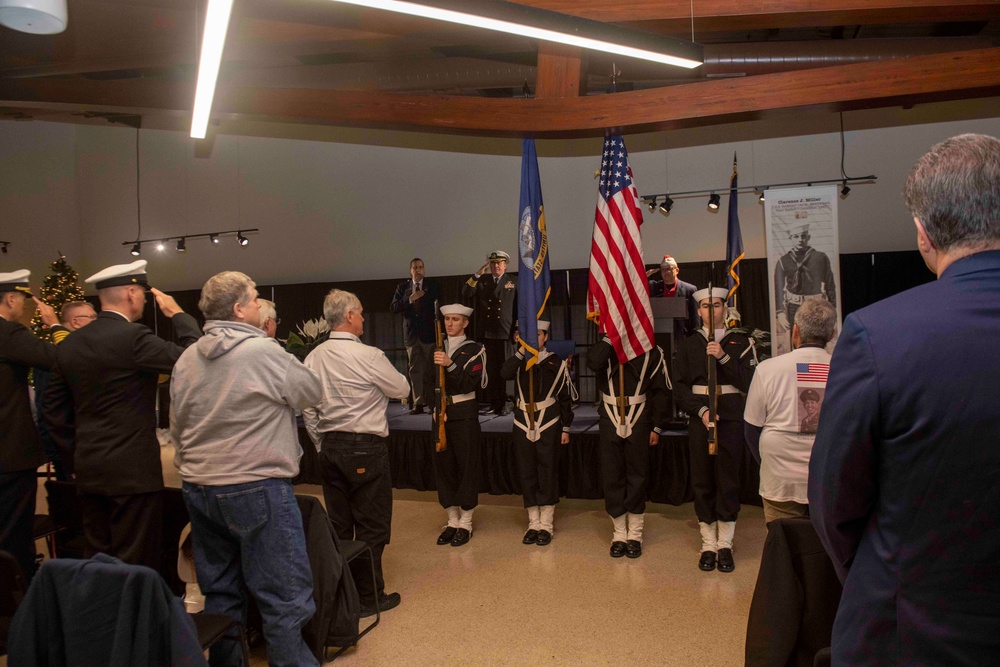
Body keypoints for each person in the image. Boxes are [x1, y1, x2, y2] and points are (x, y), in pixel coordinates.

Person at [808, 133, 1000, 666]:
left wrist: (883, 574)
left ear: (922, 233)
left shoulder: (877, 334)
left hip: (909, 632)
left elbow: (832, 503)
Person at [170, 271, 321, 667]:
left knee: (219, 592)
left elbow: (176, 424)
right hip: (255, 485)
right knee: (284, 596)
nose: (258, 305)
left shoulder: (186, 358)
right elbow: (311, 392)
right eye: (255, 299)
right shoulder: (262, 352)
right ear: (239, 309)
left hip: (200, 487)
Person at [43, 259, 201, 572]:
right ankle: (133, 621)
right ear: (130, 293)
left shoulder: (69, 345)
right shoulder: (133, 338)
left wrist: (74, 458)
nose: (143, 298)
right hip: (132, 473)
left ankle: (102, 619)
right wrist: (178, 315)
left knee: (97, 558)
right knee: (135, 561)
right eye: (141, 292)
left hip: (89, 470)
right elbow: (195, 360)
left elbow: (54, 412)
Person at [303, 289, 409, 617]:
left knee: (338, 525)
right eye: (361, 312)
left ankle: (340, 595)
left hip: (330, 447)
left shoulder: (313, 357)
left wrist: (321, 445)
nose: (363, 317)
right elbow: (402, 389)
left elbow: (308, 409)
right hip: (366, 448)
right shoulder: (369, 356)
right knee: (372, 527)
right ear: (349, 316)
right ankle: (367, 597)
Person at [674, 287, 757, 573]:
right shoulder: (687, 344)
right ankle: (708, 543)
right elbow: (680, 386)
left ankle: (726, 543)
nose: (712, 311)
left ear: (725, 308)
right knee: (703, 479)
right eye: (706, 306)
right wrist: (700, 410)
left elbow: (751, 381)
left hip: (731, 417)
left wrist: (723, 357)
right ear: (698, 312)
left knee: (728, 478)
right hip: (701, 417)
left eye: (717, 305)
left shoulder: (741, 342)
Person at [743, 297, 836, 525]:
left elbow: (751, 429)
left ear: (795, 331)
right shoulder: (847, 371)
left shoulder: (767, 369)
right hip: (830, 479)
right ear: (832, 334)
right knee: (828, 553)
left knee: (783, 550)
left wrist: (770, 464)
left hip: (780, 479)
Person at [586, 329, 671, 559]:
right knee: (612, 474)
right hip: (610, 415)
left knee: (637, 473)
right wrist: (610, 337)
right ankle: (619, 533)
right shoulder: (605, 347)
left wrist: (657, 425)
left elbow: (662, 391)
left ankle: (634, 533)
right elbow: (593, 362)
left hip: (639, 415)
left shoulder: (652, 350)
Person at [0, 270, 62, 583]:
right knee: (13, 538)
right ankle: (17, 612)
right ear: (11, 298)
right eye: (23, 299)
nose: (23, 306)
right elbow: (60, 359)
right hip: (9, 458)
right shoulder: (9, 333)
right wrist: (54, 325)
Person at [500, 320, 577, 546]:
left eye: (539, 334)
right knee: (527, 471)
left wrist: (565, 427)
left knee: (547, 470)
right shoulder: (517, 361)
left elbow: (565, 398)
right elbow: (503, 373)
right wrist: (522, 352)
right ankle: (533, 522)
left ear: (546, 337)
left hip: (548, 422)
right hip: (523, 421)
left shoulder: (556, 362)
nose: (535, 338)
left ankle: (546, 524)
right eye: (529, 335)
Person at [432, 303, 486, 546]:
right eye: (447, 320)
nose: (450, 324)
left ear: (465, 323)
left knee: (466, 467)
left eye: (455, 319)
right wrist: (435, 408)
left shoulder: (475, 349)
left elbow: (469, 383)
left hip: (464, 414)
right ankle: (452, 520)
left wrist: (449, 364)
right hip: (440, 415)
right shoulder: (436, 348)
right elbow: (427, 381)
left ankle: (465, 521)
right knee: (444, 467)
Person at [34, 300, 97, 480]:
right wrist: (59, 453)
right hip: (68, 448)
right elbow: (47, 408)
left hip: (89, 445)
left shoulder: (86, 352)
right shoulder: (53, 357)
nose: (96, 322)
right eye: (92, 317)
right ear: (76, 322)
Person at [462, 250, 516, 415]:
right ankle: (495, 402)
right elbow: (466, 292)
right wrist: (477, 274)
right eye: (493, 263)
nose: (496, 266)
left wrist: (518, 328)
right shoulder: (483, 282)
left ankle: (508, 401)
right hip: (488, 333)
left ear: (505, 265)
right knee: (492, 370)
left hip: (506, 332)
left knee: (507, 368)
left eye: (499, 263)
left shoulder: (513, 282)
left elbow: (520, 307)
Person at [389, 258, 441, 414]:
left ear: (424, 269)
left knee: (431, 370)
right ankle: (418, 403)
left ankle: (432, 403)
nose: (418, 270)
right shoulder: (403, 287)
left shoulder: (433, 286)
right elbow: (394, 308)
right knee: (414, 370)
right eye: (415, 268)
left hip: (429, 335)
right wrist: (410, 299)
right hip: (411, 335)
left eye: (420, 267)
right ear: (410, 270)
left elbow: (440, 307)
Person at [774, 223, 836, 348]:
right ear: (790, 238)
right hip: (794, 307)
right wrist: (780, 312)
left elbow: (830, 284)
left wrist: (833, 309)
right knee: (796, 343)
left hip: (816, 306)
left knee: (818, 341)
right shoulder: (783, 261)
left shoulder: (820, 257)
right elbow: (778, 288)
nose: (800, 240)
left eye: (803, 236)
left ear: (808, 237)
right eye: (796, 236)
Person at [646, 254, 699, 340]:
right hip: (660, 334)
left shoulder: (690, 289)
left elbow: (695, 318)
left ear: (677, 270)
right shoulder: (653, 287)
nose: (665, 272)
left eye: (669, 269)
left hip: (683, 336)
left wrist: (695, 337)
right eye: (663, 270)